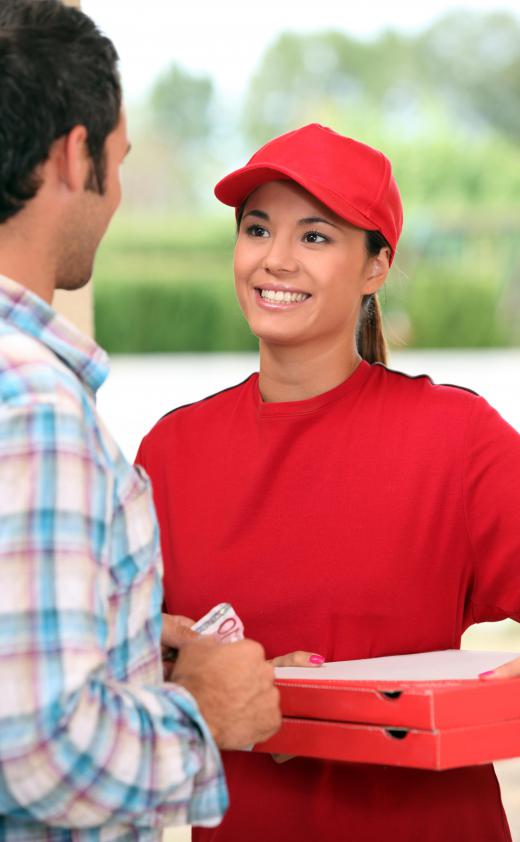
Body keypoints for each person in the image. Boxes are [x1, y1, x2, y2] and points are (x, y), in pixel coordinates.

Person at [137, 122, 520, 842]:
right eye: (257, 229)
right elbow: (101, 673)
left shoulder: (457, 438)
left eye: (315, 237)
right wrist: (196, 679)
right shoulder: (170, 452)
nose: (275, 260)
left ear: (376, 267)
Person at [0, 2, 280, 839]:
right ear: (71, 153)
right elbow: (43, 749)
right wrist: (201, 712)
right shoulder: (41, 411)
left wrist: (114, 635)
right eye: (117, 162)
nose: (117, 196)